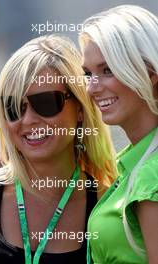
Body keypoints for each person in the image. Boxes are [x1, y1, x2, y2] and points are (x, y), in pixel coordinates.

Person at [0, 35, 117, 264]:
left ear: (80, 109)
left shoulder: (109, 206)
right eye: (13, 107)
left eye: (47, 102)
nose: (28, 120)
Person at [79, 4, 158, 264]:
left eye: (108, 70)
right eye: (88, 74)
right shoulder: (131, 162)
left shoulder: (151, 175)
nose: (92, 89)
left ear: (149, 72)